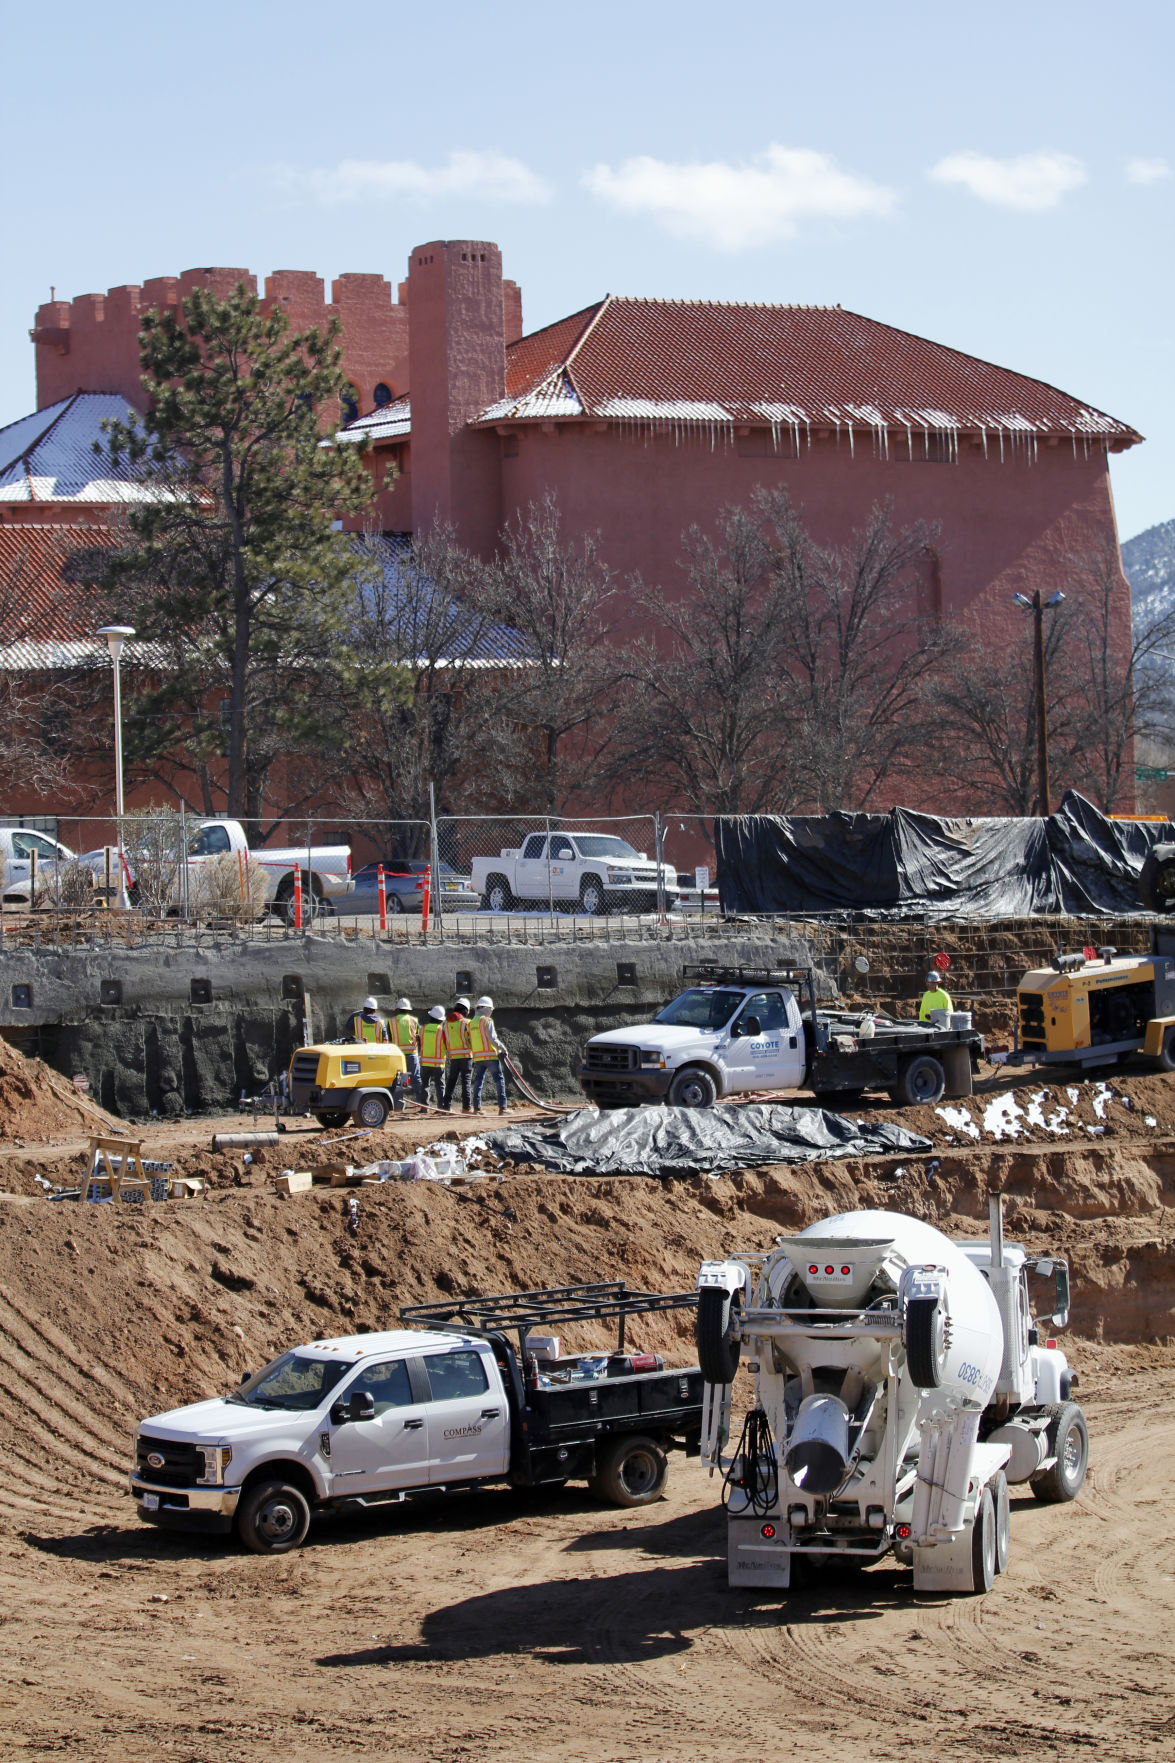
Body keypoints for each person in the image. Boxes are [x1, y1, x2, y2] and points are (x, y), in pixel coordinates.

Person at [469, 995, 510, 1115]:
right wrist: (503, 1048)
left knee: (478, 1082)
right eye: (491, 1009)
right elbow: (492, 1039)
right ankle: (503, 1108)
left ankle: (477, 1108)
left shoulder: (471, 1023)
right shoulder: (487, 1021)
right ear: (487, 1008)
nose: (491, 1012)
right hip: (490, 1056)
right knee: (499, 1080)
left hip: (478, 1057)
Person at [443, 996, 474, 1113]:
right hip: (466, 1057)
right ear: (465, 1010)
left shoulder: (446, 1023)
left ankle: (446, 1106)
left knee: (451, 1082)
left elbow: (446, 1040)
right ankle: (466, 1107)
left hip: (454, 1057)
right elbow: (472, 1040)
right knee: (466, 1082)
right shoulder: (467, 1023)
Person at [391, 996, 423, 1101]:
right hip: (412, 1053)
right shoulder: (414, 1020)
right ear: (408, 1010)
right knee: (416, 1078)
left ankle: (399, 1102)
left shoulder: (391, 1022)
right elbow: (419, 1037)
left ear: (398, 1009)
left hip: (398, 1055)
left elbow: (389, 1039)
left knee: (401, 1079)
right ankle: (422, 1103)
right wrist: (420, 1051)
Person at [419, 1005, 449, 1109]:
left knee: (424, 1085)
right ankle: (441, 1107)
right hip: (438, 1063)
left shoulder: (422, 1029)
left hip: (425, 1062)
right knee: (440, 1086)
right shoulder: (443, 1030)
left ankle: (424, 1107)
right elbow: (447, 1044)